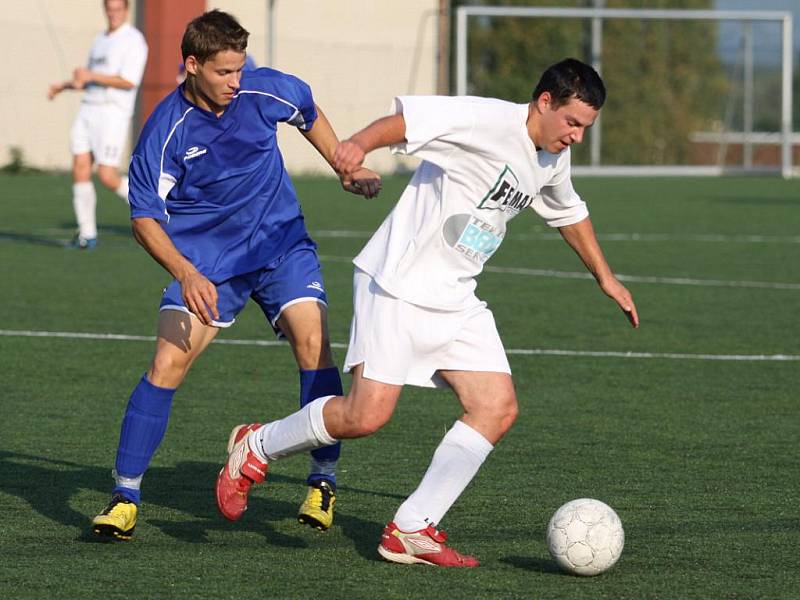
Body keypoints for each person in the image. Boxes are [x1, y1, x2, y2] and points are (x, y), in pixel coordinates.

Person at [216, 57, 640, 567]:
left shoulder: (551, 155)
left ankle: (411, 528)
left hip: (456, 297)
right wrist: (358, 145)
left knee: (496, 407)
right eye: (572, 122)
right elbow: (408, 121)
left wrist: (605, 276)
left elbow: (568, 210)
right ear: (544, 102)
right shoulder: (485, 120)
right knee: (364, 416)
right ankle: (258, 445)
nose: (576, 136)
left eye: (585, 129)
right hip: (396, 283)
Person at [90, 9, 380, 541]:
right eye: (224, 72)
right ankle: (125, 494)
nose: (235, 82)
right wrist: (184, 270)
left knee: (313, 344)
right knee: (166, 362)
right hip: (207, 266)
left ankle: (322, 480)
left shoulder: (261, 90)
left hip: (280, 246)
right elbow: (143, 218)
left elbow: (307, 110)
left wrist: (344, 165)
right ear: (192, 65)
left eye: (240, 69)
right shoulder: (166, 128)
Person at [47, 0, 148, 249]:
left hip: (112, 112)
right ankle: (87, 234)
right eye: (109, 9)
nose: (113, 14)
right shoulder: (100, 40)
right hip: (88, 108)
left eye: (118, 9)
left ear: (126, 10)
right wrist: (66, 85)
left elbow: (128, 81)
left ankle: (154, 209)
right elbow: (90, 79)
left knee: (107, 175)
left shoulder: (133, 40)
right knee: (80, 166)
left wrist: (91, 76)